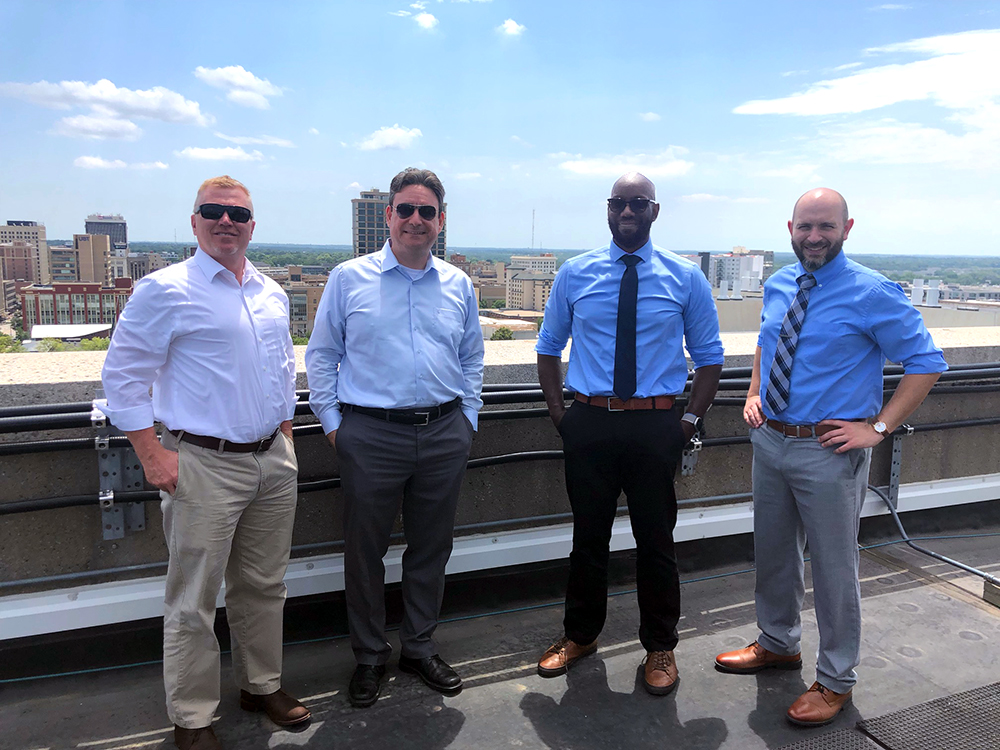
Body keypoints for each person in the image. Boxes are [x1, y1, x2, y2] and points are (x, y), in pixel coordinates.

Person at [714, 188, 947, 726]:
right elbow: (767, 344)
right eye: (806, 227)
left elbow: (926, 360)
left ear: (847, 228)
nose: (814, 237)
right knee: (773, 554)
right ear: (790, 227)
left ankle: (837, 679)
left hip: (828, 450)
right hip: (770, 440)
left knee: (835, 567)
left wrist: (880, 427)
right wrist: (753, 391)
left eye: (826, 227)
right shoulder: (778, 283)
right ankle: (778, 643)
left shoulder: (870, 292)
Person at [101, 176, 309, 750]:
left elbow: (281, 366)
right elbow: (123, 379)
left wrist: (285, 431)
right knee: (194, 596)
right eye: (213, 211)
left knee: (265, 585)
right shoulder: (165, 290)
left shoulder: (271, 291)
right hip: (202, 462)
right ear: (194, 222)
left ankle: (260, 685)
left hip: (271, 457)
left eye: (237, 213)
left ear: (251, 225)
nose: (226, 221)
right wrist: (152, 454)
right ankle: (192, 718)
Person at [534, 172, 724, 695]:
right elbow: (549, 347)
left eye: (637, 203)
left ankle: (660, 647)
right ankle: (580, 636)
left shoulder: (686, 278)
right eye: (618, 203)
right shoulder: (576, 273)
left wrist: (687, 422)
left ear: (654, 211)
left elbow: (709, 360)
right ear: (608, 209)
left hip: (655, 425)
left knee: (656, 543)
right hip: (589, 423)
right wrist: (561, 416)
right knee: (587, 540)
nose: (627, 211)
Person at [306, 167, 484, 708]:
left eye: (425, 211)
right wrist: (337, 427)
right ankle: (368, 655)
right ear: (388, 215)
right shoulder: (347, 279)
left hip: (443, 432)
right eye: (404, 209)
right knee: (364, 552)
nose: (414, 219)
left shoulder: (458, 284)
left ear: (440, 222)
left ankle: (419, 646)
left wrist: (468, 418)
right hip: (370, 436)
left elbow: (472, 357)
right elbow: (321, 358)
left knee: (432, 547)